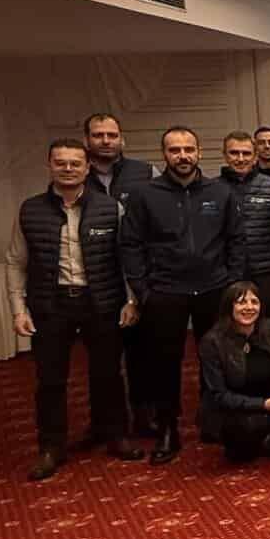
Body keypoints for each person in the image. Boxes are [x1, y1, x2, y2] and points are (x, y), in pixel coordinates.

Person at [8, 139, 143, 479]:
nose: (68, 169)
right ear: (50, 166)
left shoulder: (110, 207)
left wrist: (131, 300)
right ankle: (51, 446)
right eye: (61, 163)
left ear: (87, 168)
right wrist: (18, 309)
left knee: (108, 373)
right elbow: (16, 262)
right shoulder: (30, 210)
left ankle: (114, 433)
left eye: (75, 163)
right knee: (50, 379)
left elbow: (126, 257)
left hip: (102, 301)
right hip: (50, 304)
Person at [121, 126, 243, 465]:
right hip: (165, 292)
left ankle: (212, 420)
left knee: (215, 359)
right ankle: (167, 429)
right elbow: (130, 244)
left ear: (199, 152)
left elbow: (236, 240)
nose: (183, 156)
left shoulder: (221, 192)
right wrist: (143, 290)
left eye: (189, 149)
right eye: (175, 150)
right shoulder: (144, 195)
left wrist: (232, 283)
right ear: (164, 155)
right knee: (163, 363)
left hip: (214, 288)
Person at [82, 112, 154, 436]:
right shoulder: (75, 175)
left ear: (122, 139)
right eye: (98, 135)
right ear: (87, 140)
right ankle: (107, 424)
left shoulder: (145, 173)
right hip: (96, 283)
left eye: (111, 135)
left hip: (140, 278)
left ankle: (145, 416)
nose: (106, 141)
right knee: (103, 361)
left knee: (143, 355)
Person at [198, 282, 270, 463]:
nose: (249, 307)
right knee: (244, 454)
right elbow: (220, 395)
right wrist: (263, 405)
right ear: (229, 307)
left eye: (254, 302)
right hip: (238, 408)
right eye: (241, 302)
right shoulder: (212, 342)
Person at [218, 131, 270, 321]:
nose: (240, 159)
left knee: (269, 327)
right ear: (225, 155)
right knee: (231, 327)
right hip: (226, 275)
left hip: (268, 274)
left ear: (255, 156)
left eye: (246, 153)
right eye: (234, 153)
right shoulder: (212, 189)